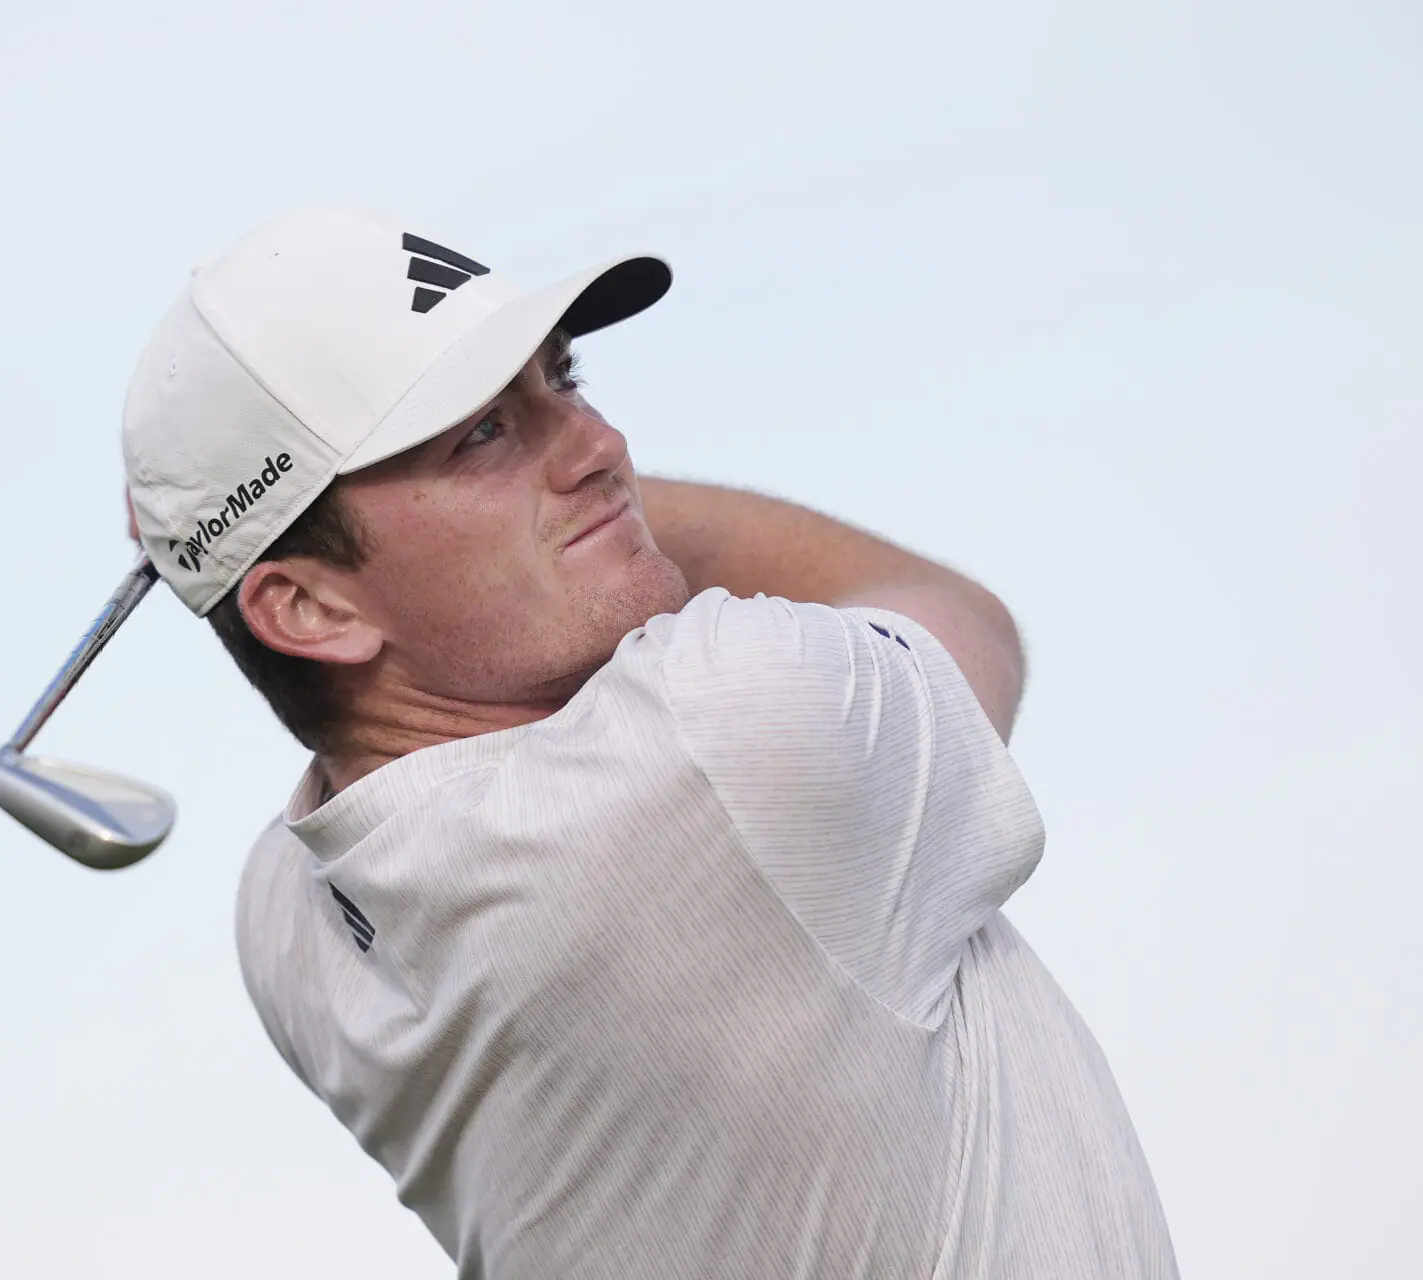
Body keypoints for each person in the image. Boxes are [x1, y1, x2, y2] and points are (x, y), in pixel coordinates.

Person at [120, 208, 1178, 1278]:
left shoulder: (286, 919)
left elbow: (329, 678)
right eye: (481, 433)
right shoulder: (726, 731)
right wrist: (597, 517)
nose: (606, 447)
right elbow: (959, 610)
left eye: (562, 381)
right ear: (308, 612)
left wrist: (230, 535)